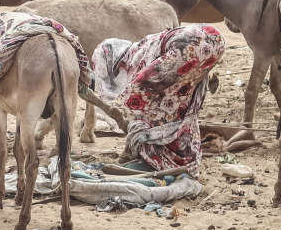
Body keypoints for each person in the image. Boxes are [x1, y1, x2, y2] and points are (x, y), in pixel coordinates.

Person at [91, 26, 226, 176]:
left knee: (144, 103)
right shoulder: (145, 45)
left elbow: (139, 89)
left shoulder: (135, 59)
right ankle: (183, 153)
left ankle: (156, 155)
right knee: (180, 102)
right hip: (215, 39)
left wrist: (124, 114)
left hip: (189, 48)